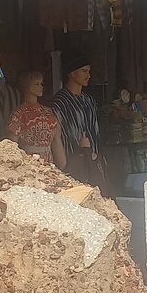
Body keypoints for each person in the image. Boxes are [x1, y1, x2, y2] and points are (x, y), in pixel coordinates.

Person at [52, 50, 108, 193]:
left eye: (89, 71)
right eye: (83, 71)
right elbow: (57, 137)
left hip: (94, 160)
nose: (88, 75)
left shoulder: (89, 100)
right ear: (72, 73)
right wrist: (65, 167)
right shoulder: (60, 102)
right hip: (74, 161)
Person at [7, 70, 66, 168]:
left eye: (41, 83)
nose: (41, 87)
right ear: (26, 86)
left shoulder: (48, 112)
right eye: (36, 84)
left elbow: (56, 140)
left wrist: (62, 164)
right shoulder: (19, 113)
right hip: (28, 164)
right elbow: (11, 145)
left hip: (49, 163)